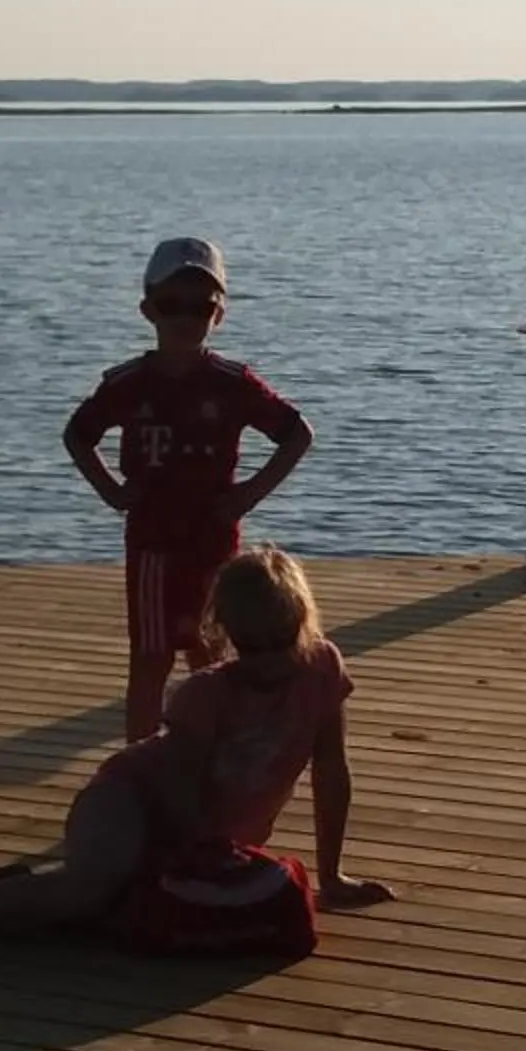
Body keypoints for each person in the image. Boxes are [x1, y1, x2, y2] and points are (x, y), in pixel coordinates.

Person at [0, 545, 392, 948]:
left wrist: (332, 875)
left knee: (112, 913)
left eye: (280, 643)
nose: (266, 660)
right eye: (250, 646)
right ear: (226, 638)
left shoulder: (322, 670)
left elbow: (330, 770)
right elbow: (184, 794)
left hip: (207, 835)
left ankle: (5, 895)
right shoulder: (204, 695)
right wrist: (207, 859)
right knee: (85, 895)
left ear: (304, 625)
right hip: (130, 800)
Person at [63, 236, 314, 741]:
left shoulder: (233, 383)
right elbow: (78, 434)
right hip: (153, 541)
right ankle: (141, 762)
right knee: (151, 658)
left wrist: (249, 493)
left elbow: (296, 434)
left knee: (213, 655)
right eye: (171, 305)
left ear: (218, 314)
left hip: (214, 543)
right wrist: (111, 491)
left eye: (200, 306)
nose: (185, 318)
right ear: (148, 310)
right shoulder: (128, 384)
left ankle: (214, 752)